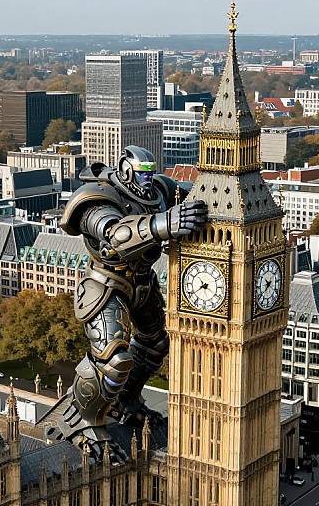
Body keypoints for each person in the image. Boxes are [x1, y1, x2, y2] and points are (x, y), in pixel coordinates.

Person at [52, 146, 207, 460]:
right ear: (125, 169)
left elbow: (196, 194)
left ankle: (127, 401)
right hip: (107, 283)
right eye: (142, 172)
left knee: (157, 344)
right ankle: (84, 421)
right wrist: (162, 223)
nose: (148, 178)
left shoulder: (159, 190)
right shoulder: (97, 197)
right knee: (114, 359)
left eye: (151, 171)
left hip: (142, 281)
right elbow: (114, 234)